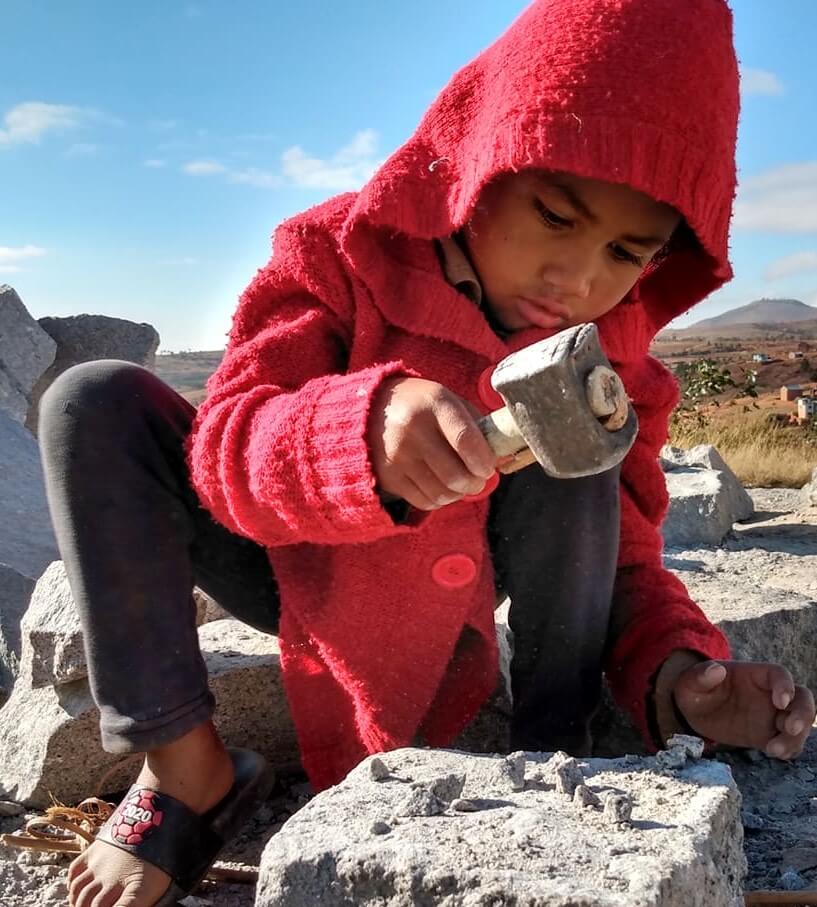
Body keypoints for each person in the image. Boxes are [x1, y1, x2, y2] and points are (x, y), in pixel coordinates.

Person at [38, 0, 815, 905]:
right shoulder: (338, 255)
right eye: (556, 216)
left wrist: (686, 674)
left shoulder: (614, 350)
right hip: (295, 562)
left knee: (584, 454)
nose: (578, 281)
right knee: (91, 400)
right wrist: (355, 432)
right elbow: (229, 442)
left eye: (625, 253)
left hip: (471, 587)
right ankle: (184, 768)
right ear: (481, 160)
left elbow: (628, 558)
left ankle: (549, 753)